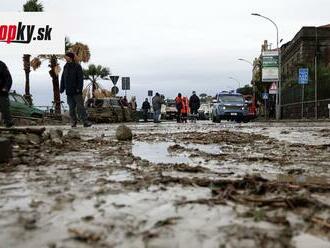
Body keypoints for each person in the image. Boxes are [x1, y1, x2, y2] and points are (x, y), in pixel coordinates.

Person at [60, 52, 92, 128]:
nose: (65, 58)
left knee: (80, 107)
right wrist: (62, 88)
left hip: (77, 92)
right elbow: (63, 78)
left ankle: (85, 121)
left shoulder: (77, 66)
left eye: (66, 57)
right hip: (69, 92)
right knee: (71, 108)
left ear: (70, 57)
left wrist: (79, 88)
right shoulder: (65, 67)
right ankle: (73, 122)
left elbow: (80, 79)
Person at [0, 60, 14, 127]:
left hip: (1, 92)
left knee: (5, 107)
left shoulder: (1, 64)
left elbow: (8, 78)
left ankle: (9, 123)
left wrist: (6, 88)